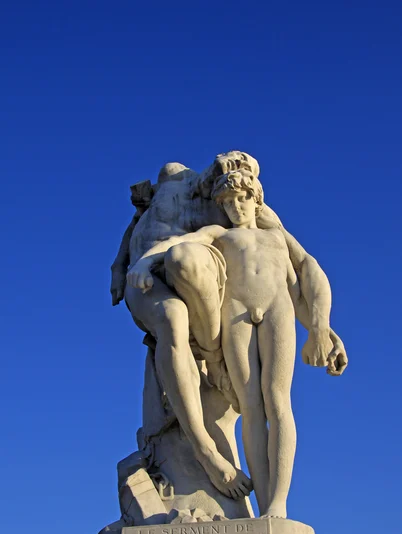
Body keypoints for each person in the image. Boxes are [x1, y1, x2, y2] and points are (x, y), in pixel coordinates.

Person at [113, 152, 348, 501]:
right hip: (235, 313)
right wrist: (139, 263)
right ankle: (245, 481)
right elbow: (176, 243)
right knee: (252, 404)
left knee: (278, 400)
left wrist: (321, 328)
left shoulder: (275, 234)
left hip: (274, 310)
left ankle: (275, 503)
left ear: (256, 197)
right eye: (229, 200)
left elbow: (308, 275)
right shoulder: (213, 226)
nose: (236, 206)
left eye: (243, 198)